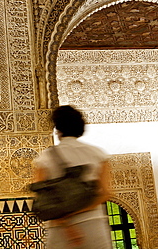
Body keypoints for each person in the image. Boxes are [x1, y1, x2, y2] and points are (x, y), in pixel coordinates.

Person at [33, 105, 112, 249]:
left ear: (57, 130)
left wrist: (67, 224)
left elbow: (42, 199)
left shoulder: (45, 158)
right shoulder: (98, 154)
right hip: (94, 227)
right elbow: (105, 194)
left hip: (60, 232)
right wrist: (79, 211)